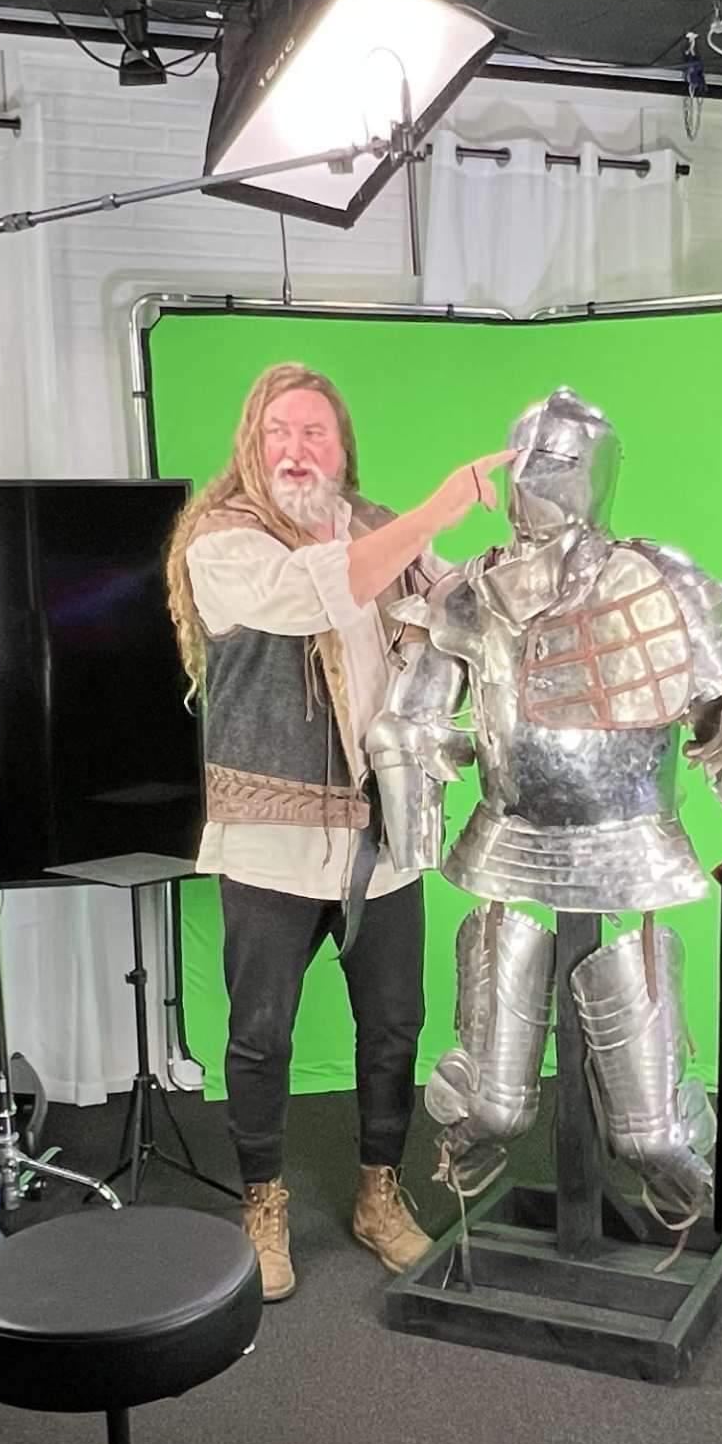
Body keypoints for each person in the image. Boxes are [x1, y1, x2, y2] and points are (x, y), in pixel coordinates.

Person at [167, 363, 505, 1301]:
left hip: (383, 833)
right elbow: (312, 594)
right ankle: (264, 1203)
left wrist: (528, 563)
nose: (296, 450)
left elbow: (460, 610)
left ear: (342, 446)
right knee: (260, 1035)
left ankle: (378, 1194)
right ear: (252, 444)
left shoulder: (376, 527)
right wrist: (440, 507)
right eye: (278, 432)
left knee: (394, 1027)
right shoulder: (222, 538)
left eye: (314, 432)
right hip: (271, 841)